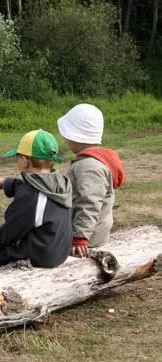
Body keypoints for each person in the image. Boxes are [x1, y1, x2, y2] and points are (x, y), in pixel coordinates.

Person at [0, 130, 72, 285]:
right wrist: (6, 183)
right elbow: (27, 186)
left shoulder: (30, 194)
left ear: (25, 161)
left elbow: (13, 228)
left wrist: (2, 243)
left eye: (17, 157)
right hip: (58, 250)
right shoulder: (60, 183)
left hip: (40, 257)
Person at [57, 103, 127, 258]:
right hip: (90, 232)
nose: (65, 139)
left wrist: (80, 237)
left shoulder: (89, 166)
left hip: (87, 239)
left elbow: (89, 203)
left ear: (75, 136)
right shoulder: (90, 161)